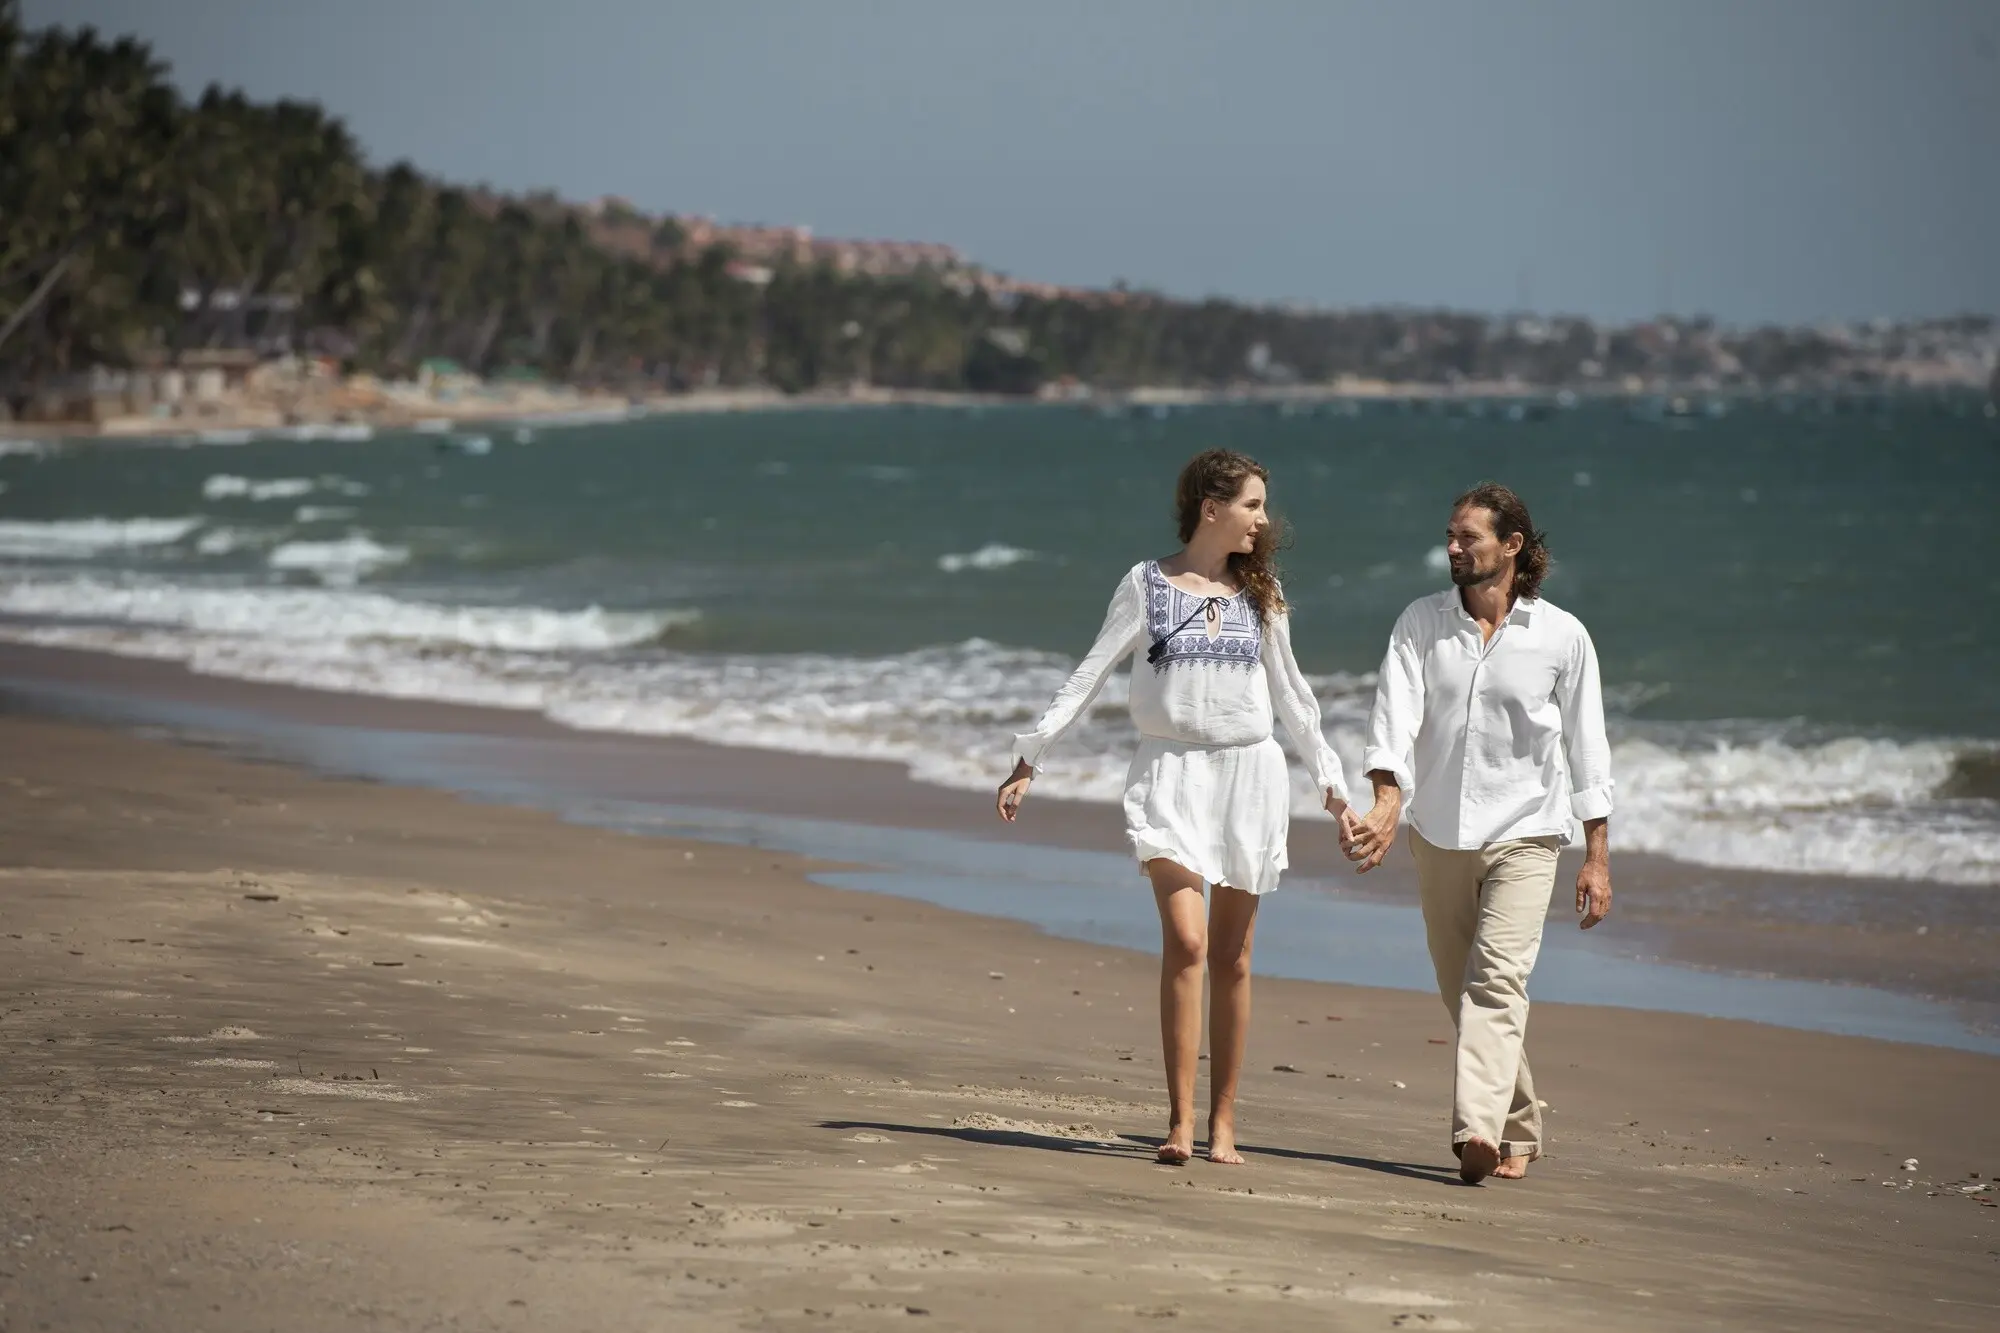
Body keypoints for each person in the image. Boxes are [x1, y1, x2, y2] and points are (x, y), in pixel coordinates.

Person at [997, 449, 1352, 1166]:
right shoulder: (1145, 583)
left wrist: (1333, 786)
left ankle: (1224, 1121)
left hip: (1249, 776)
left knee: (1233, 956)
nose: (1263, 520)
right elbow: (1090, 671)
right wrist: (1032, 755)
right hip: (1169, 774)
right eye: (1252, 504)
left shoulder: (1263, 592)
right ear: (1210, 508)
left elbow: (1293, 696)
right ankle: (1180, 1120)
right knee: (1188, 943)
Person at [1344, 482, 1613, 1185]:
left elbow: (1588, 748)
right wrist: (1387, 797)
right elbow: (1392, 717)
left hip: (1527, 833)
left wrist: (1596, 855)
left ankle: (1477, 1131)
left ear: (1512, 545)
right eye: (1450, 535)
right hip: (1438, 832)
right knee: (1460, 989)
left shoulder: (1563, 636)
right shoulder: (1421, 623)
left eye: (1469, 537)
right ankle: (1519, 1124)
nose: (1453, 547)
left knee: (1495, 982)